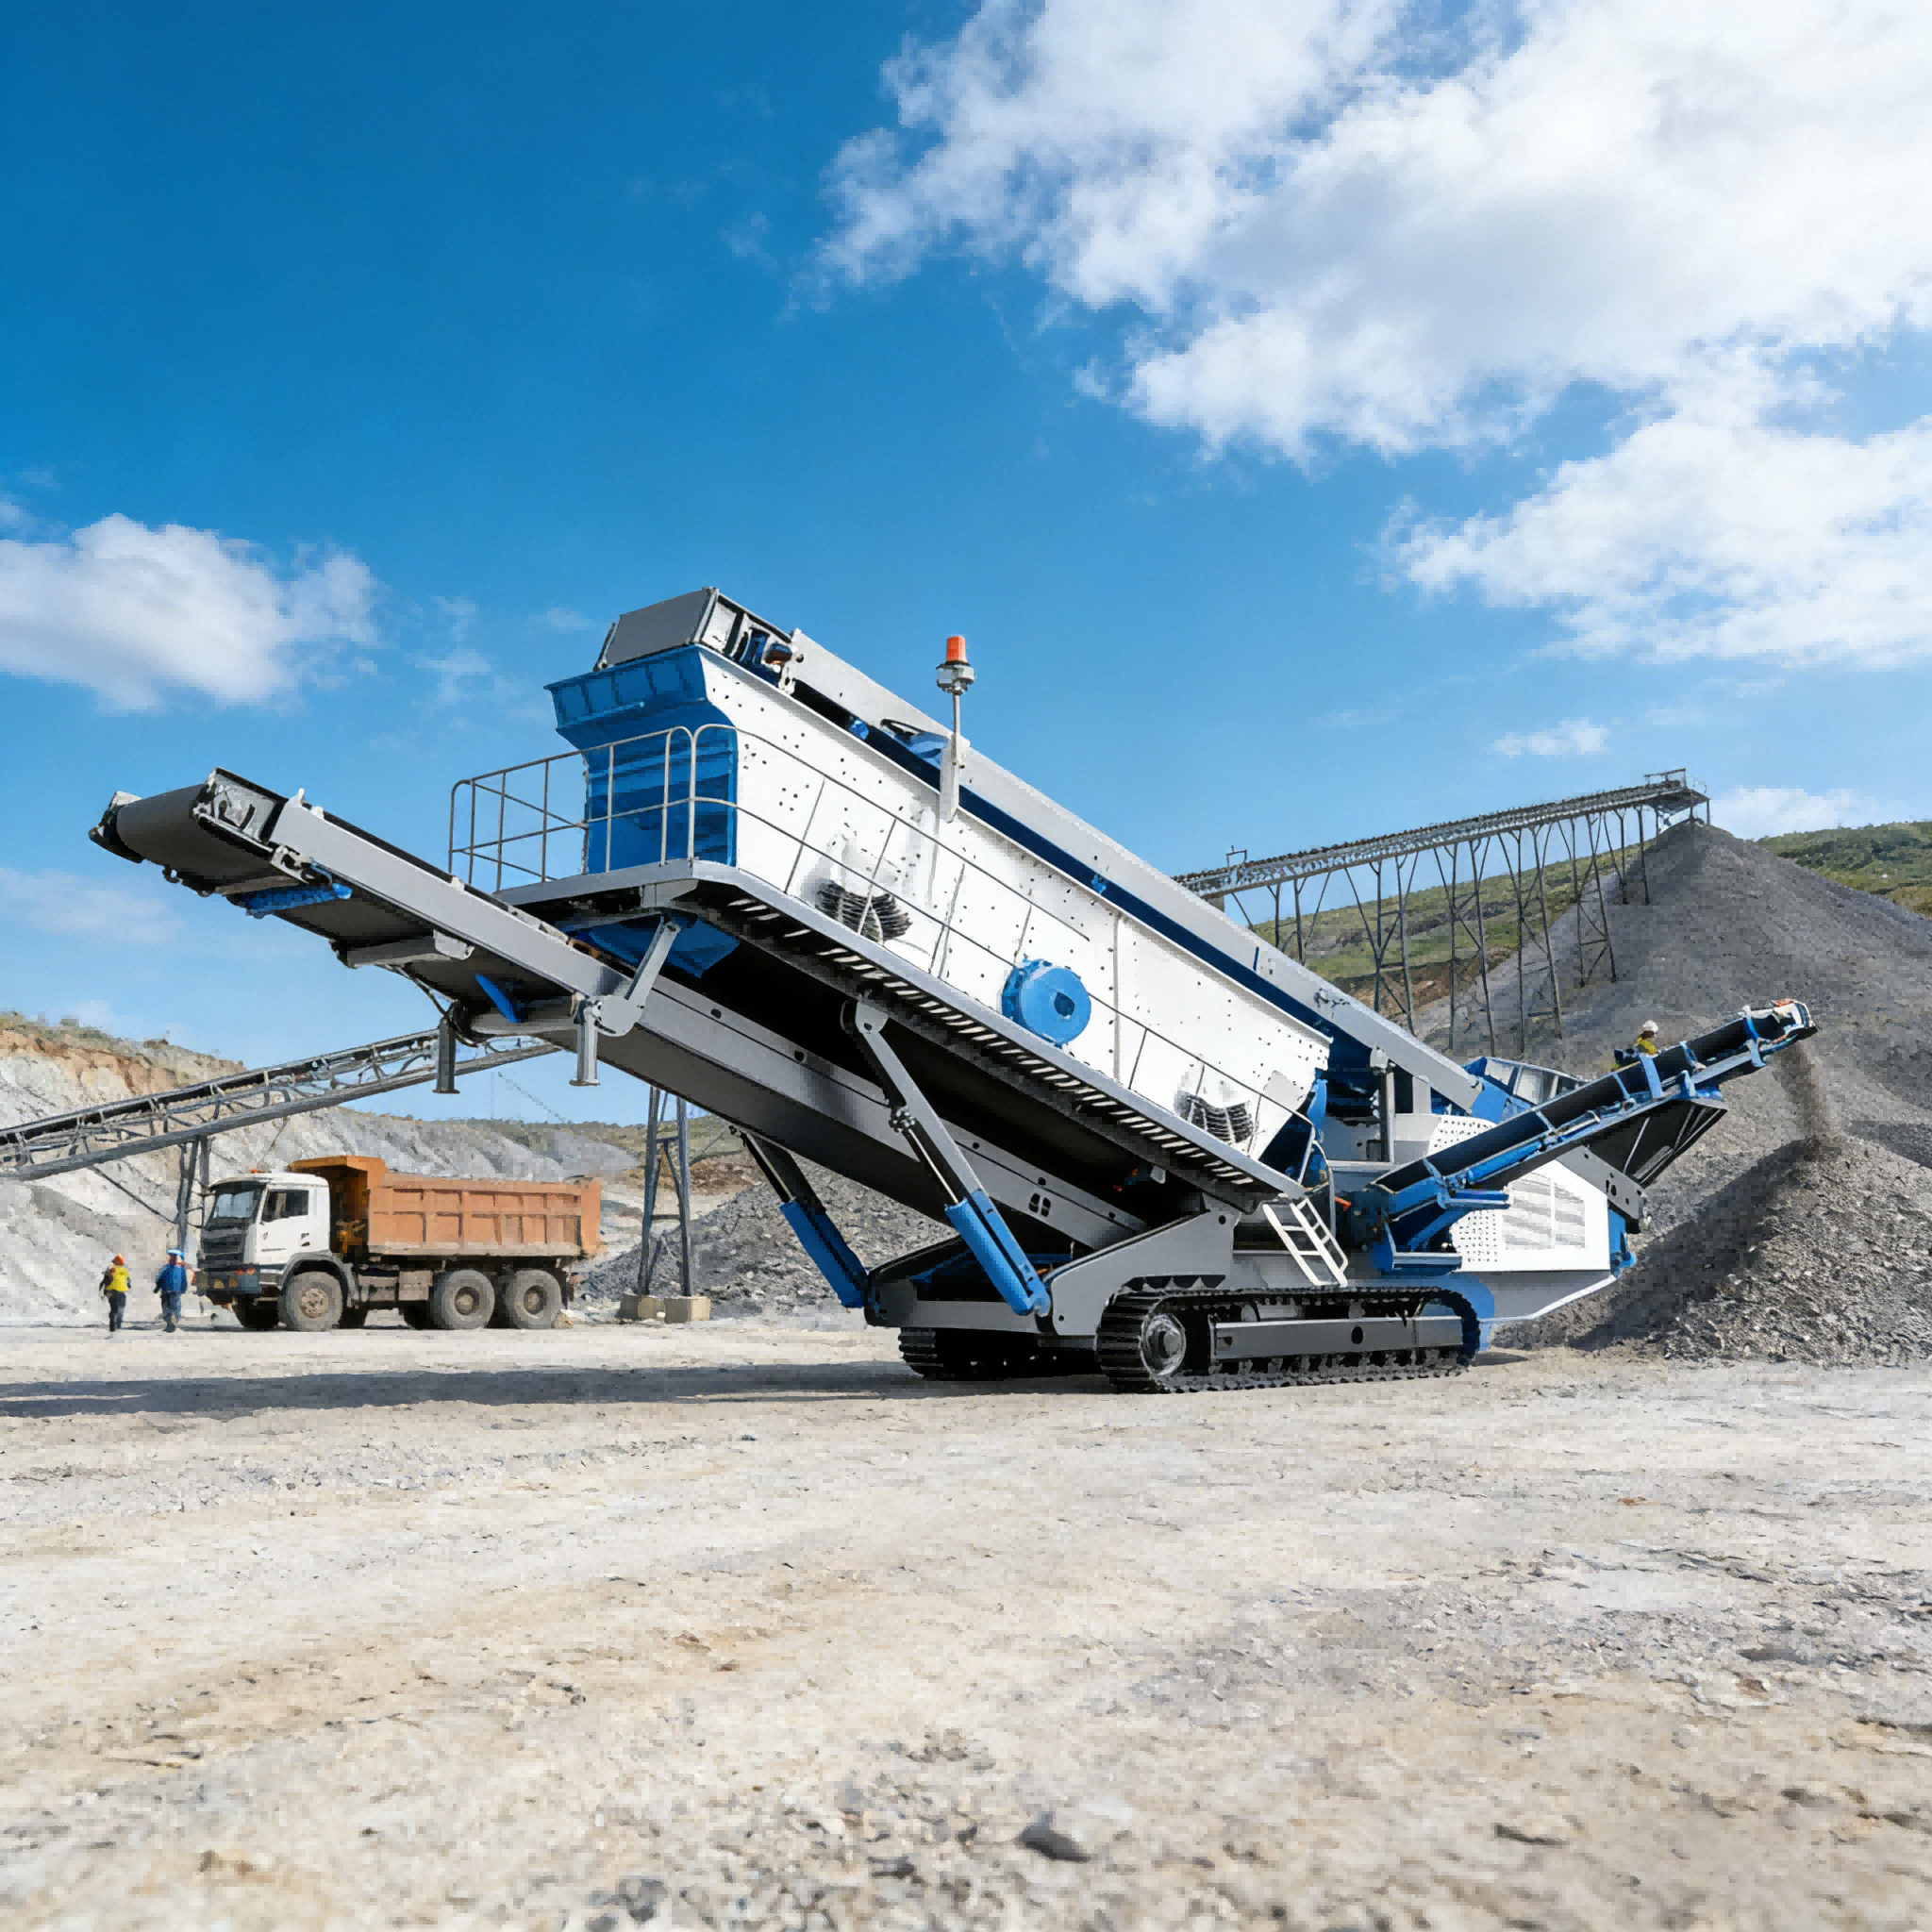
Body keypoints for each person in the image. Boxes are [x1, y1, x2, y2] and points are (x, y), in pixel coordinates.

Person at [155, 1248, 190, 1334]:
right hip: (176, 1291)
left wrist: (157, 1287)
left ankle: (169, 1323)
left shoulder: (166, 1268)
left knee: (166, 1307)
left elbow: (159, 1279)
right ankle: (174, 1321)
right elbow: (184, 1280)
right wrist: (183, 1289)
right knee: (175, 1307)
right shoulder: (181, 1269)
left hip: (166, 1291)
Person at [98, 1254, 130, 1334]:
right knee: (121, 1308)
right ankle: (118, 1325)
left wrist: (102, 1292)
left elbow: (104, 1281)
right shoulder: (125, 1271)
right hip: (121, 1292)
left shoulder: (110, 1269)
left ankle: (112, 1324)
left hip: (111, 1292)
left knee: (113, 1308)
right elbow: (128, 1282)